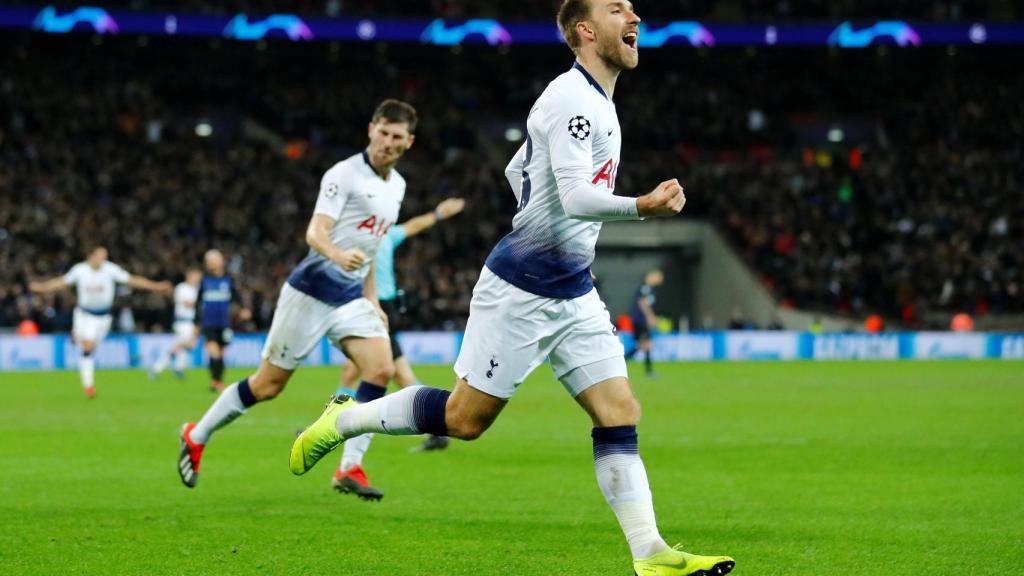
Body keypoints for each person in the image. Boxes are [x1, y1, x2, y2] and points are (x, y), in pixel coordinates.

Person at [289, 3, 735, 574]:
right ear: (584, 30)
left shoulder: (594, 101)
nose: (635, 15)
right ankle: (344, 420)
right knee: (464, 419)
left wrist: (554, 225)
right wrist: (641, 206)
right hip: (521, 288)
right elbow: (574, 198)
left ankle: (650, 554)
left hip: (572, 288)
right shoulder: (573, 100)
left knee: (619, 409)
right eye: (616, 7)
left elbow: (517, 169)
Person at [176, 99, 418, 489]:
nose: (388, 142)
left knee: (381, 370)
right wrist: (338, 254)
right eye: (384, 132)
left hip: (352, 298)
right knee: (267, 386)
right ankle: (196, 435)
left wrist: (372, 301)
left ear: (409, 142)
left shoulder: (398, 187)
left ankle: (349, 468)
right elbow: (314, 232)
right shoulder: (344, 174)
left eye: (397, 137)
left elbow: (372, 247)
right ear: (371, 129)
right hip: (309, 293)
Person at [334, 197, 466, 499]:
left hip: (377, 309)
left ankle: (437, 424)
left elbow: (413, 225)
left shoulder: (368, 236)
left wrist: (436, 213)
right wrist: (436, 212)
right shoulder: (385, 234)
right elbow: (412, 226)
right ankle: (331, 424)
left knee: (399, 375)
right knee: (356, 370)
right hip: (381, 307)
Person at [29, 246, 171, 398]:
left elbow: (132, 280)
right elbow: (62, 282)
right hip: (84, 314)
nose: (103, 259)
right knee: (88, 347)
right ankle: (88, 386)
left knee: (89, 348)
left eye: (105, 256)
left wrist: (155, 286)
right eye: (100, 256)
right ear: (91, 256)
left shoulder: (110, 269)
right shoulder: (80, 270)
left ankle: (77, 337)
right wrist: (42, 287)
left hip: (103, 317)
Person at [195, 250, 249, 393]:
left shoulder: (229, 280)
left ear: (221, 261)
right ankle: (216, 382)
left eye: (213, 260)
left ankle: (217, 381)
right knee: (214, 353)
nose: (211, 263)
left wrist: (244, 309)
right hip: (208, 323)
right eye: (208, 260)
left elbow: (237, 296)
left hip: (225, 323)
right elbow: (198, 303)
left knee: (222, 353)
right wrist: (196, 323)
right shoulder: (204, 281)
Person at [150, 268, 202, 380]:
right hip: (182, 321)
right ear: (189, 275)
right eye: (196, 276)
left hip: (191, 322)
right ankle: (158, 367)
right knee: (181, 345)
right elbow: (187, 303)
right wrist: (201, 303)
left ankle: (177, 367)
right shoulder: (181, 288)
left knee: (188, 345)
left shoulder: (197, 289)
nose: (198, 278)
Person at [626, 269, 663, 378]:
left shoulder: (650, 290)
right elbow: (642, 303)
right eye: (658, 276)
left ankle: (648, 370)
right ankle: (647, 370)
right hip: (640, 320)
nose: (660, 279)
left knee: (645, 344)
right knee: (645, 344)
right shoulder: (645, 288)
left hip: (642, 320)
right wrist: (650, 317)